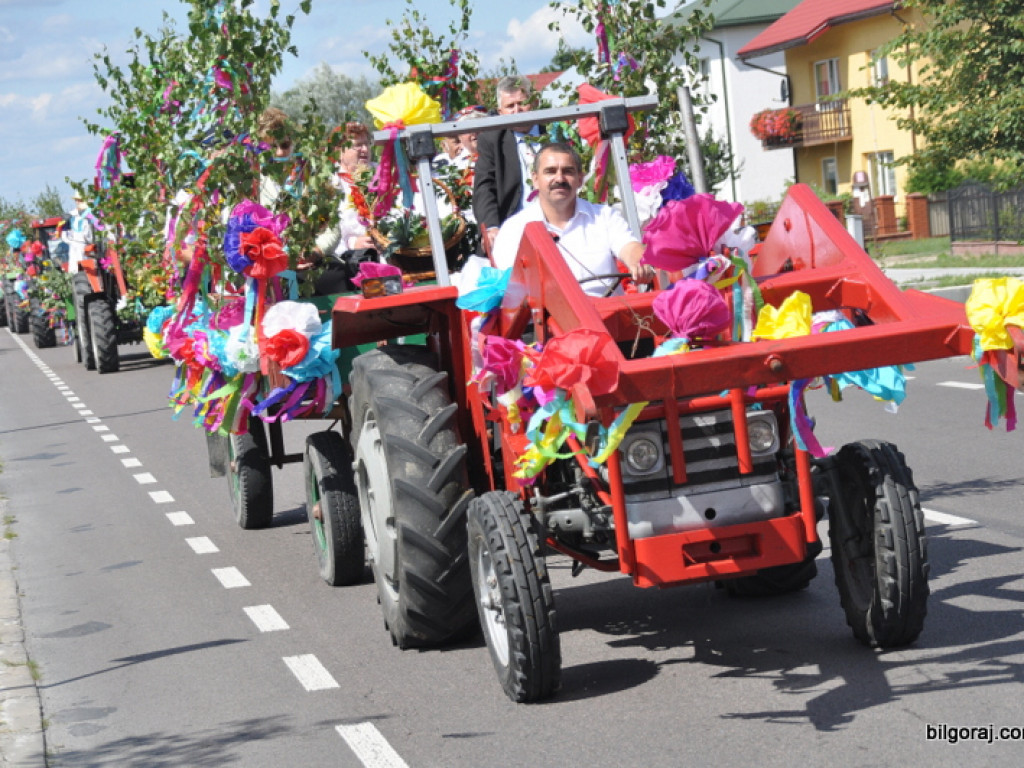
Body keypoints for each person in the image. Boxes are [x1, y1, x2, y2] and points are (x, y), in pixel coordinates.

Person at [491, 143, 653, 297]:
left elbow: (629, 246)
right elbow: (511, 291)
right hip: (548, 322)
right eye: (550, 171)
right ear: (535, 179)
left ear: (580, 179)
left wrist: (639, 262)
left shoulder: (604, 217)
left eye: (568, 171)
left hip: (609, 319)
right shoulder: (514, 229)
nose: (559, 178)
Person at [472, 75, 540, 253]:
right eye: (510, 106)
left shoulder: (556, 131)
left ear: (535, 103)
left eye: (522, 103)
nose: (517, 111)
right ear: (500, 111)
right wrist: (492, 227)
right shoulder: (491, 139)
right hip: (512, 227)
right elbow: (484, 187)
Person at [62, 192, 94, 273]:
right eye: (78, 200)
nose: (78, 202)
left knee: (78, 266)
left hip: (82, 244)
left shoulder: (88, 214)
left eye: (80, 200)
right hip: (79, 244)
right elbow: (88, 235)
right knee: (79, 267)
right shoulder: (72, 215)